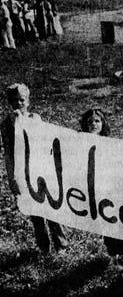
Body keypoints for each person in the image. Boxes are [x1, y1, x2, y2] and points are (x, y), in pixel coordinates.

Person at [1, 84, 68, 253]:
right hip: (23, 173)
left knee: (51, 206)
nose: (18, 104)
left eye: (22, 100)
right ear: (9, 103)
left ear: (28, 101)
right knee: (35, 210)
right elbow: (8, 153)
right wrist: (12, 179)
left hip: (40, 169)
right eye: (14, 101)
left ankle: (61, 244)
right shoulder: (6, 124)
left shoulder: (35, 118)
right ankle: (43, 246)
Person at [80, 109, 123, 266]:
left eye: (97, 121)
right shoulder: (80, 140)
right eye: (90, 122)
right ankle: (113, 253)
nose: (94, 124)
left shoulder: (109, 142)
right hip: (94, 188)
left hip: (110, 187)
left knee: (116, 219)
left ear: (103, 124)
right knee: (104, 222)